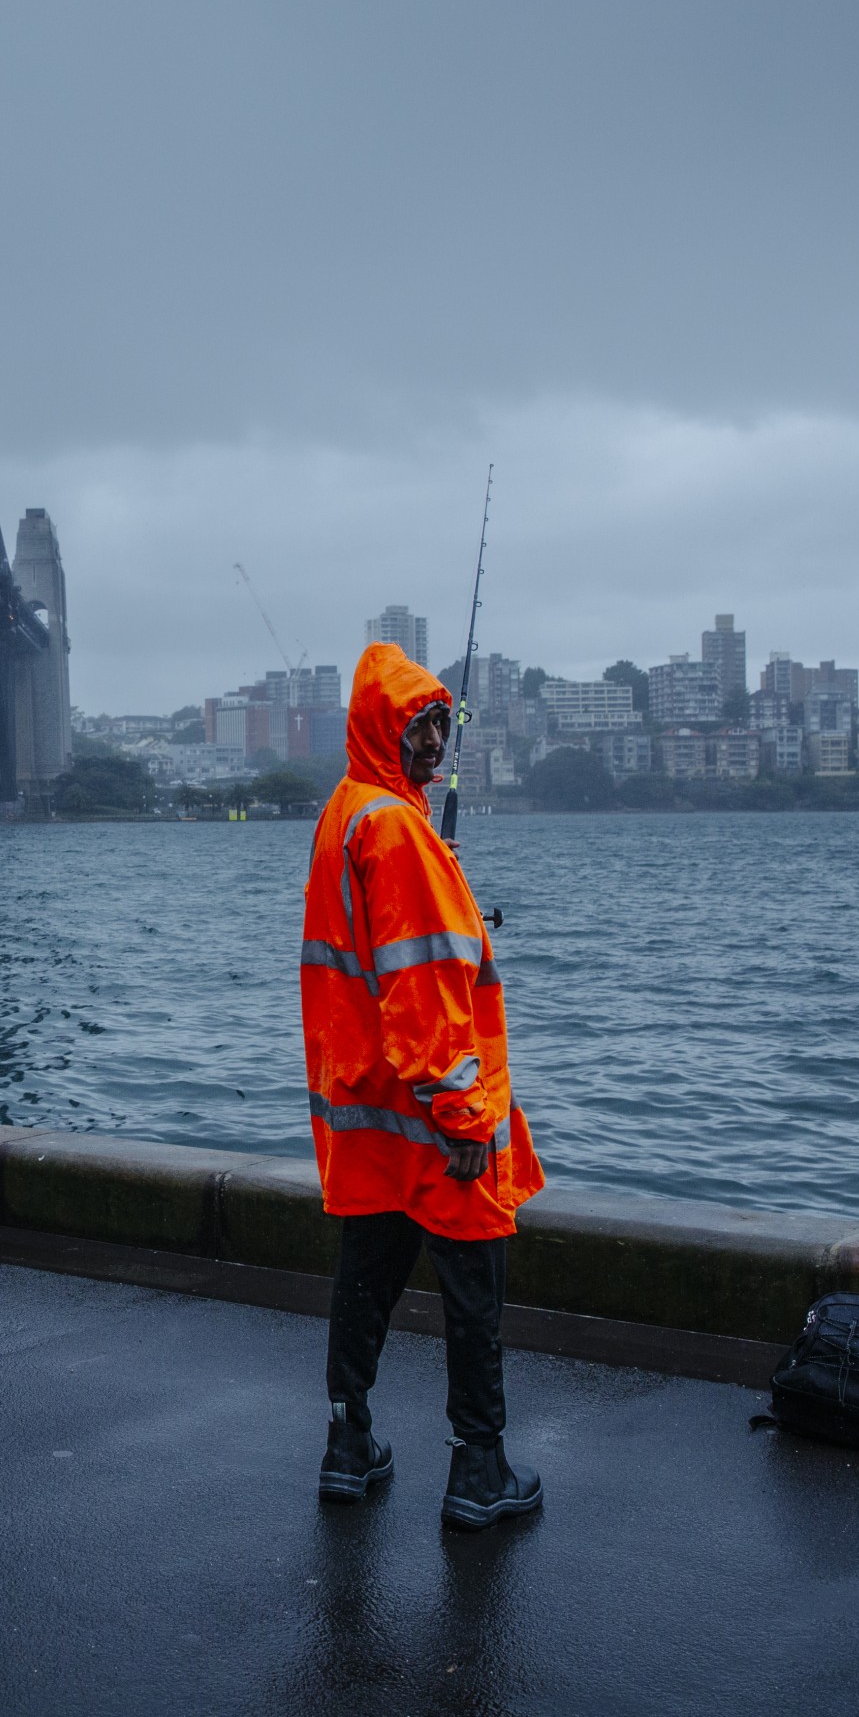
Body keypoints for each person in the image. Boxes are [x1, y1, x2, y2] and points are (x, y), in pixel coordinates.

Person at [299, 642, 545, 1532]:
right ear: (385, 731)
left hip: (364, 1108)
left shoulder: (349, 814)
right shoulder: (397, 830)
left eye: (443, 723)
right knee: (474, 1284)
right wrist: (466, 1113)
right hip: (431, 1115)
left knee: (365, 1279)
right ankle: (480, 1469)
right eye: (421, 726)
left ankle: (347, 1444)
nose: (437, 742)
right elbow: (426, 985)